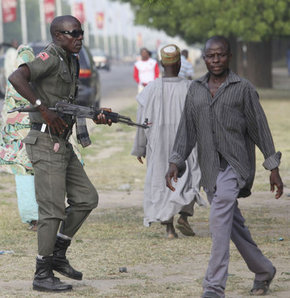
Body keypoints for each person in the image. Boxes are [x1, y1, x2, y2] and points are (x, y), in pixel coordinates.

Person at [165, 36, 283, 298]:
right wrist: (175, 160)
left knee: (218, 222)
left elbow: (260, 129)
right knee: (232, 225)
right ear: (203, 58)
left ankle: (214, 287)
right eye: (210, 56)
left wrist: (272, 168)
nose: (215, 60)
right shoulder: (195, 89)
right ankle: (264, 270)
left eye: (220, 55)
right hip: (209, 168)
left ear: (229, 56)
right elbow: (187, 129)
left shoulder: (243, 89)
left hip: (236, 166)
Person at [9, 15, 111, 292]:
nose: (79, 37)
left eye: (81, 32)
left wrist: (97, 114)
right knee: (51, 211)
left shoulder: (72, 59)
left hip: (62, 142)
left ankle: (57, 253)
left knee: (87, 198)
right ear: (57, 35)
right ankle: (42, 273)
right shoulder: (50, 56)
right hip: (44, 140)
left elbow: (67, 105)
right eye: (73, 33)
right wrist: (42, 107)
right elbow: (17, 77)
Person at [132, 44, 204, 239]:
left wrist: (140, 148)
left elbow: (141, 122)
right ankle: (184, 216)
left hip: (158, 144)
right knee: (188, 178)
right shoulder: (191, 88)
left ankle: (169, 228)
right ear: (180, 63)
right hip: (186, 145)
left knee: (162, 180)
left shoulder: (150, 90)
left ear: (162, 63)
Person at [0, 45, 38, 231]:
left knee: (23, 176)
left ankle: (32, 217)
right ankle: (37, 216)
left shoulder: (11, 81)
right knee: (33, 175)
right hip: (28, 137)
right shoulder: (29, 81)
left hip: (15, 139)